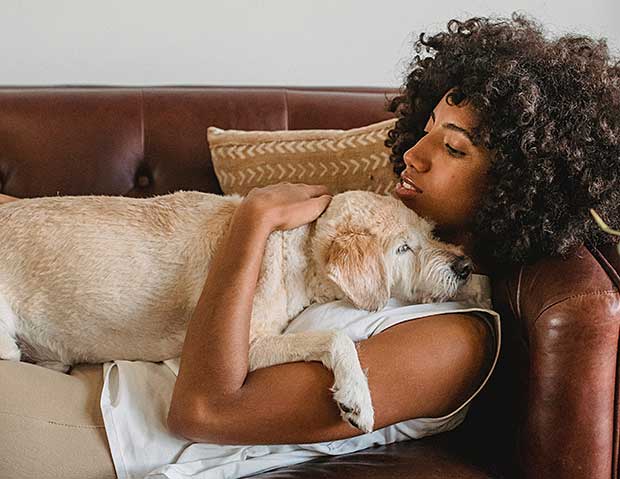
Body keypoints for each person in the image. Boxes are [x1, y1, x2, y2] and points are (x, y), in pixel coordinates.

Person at [1, 11, 619, 479]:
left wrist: (252, 223)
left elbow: (203, 413)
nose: (414, 153)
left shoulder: (453, 344)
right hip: (87, 372)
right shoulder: (388, 241)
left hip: (95, 427)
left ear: (514, 183)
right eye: (426, 130)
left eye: (454, 148)